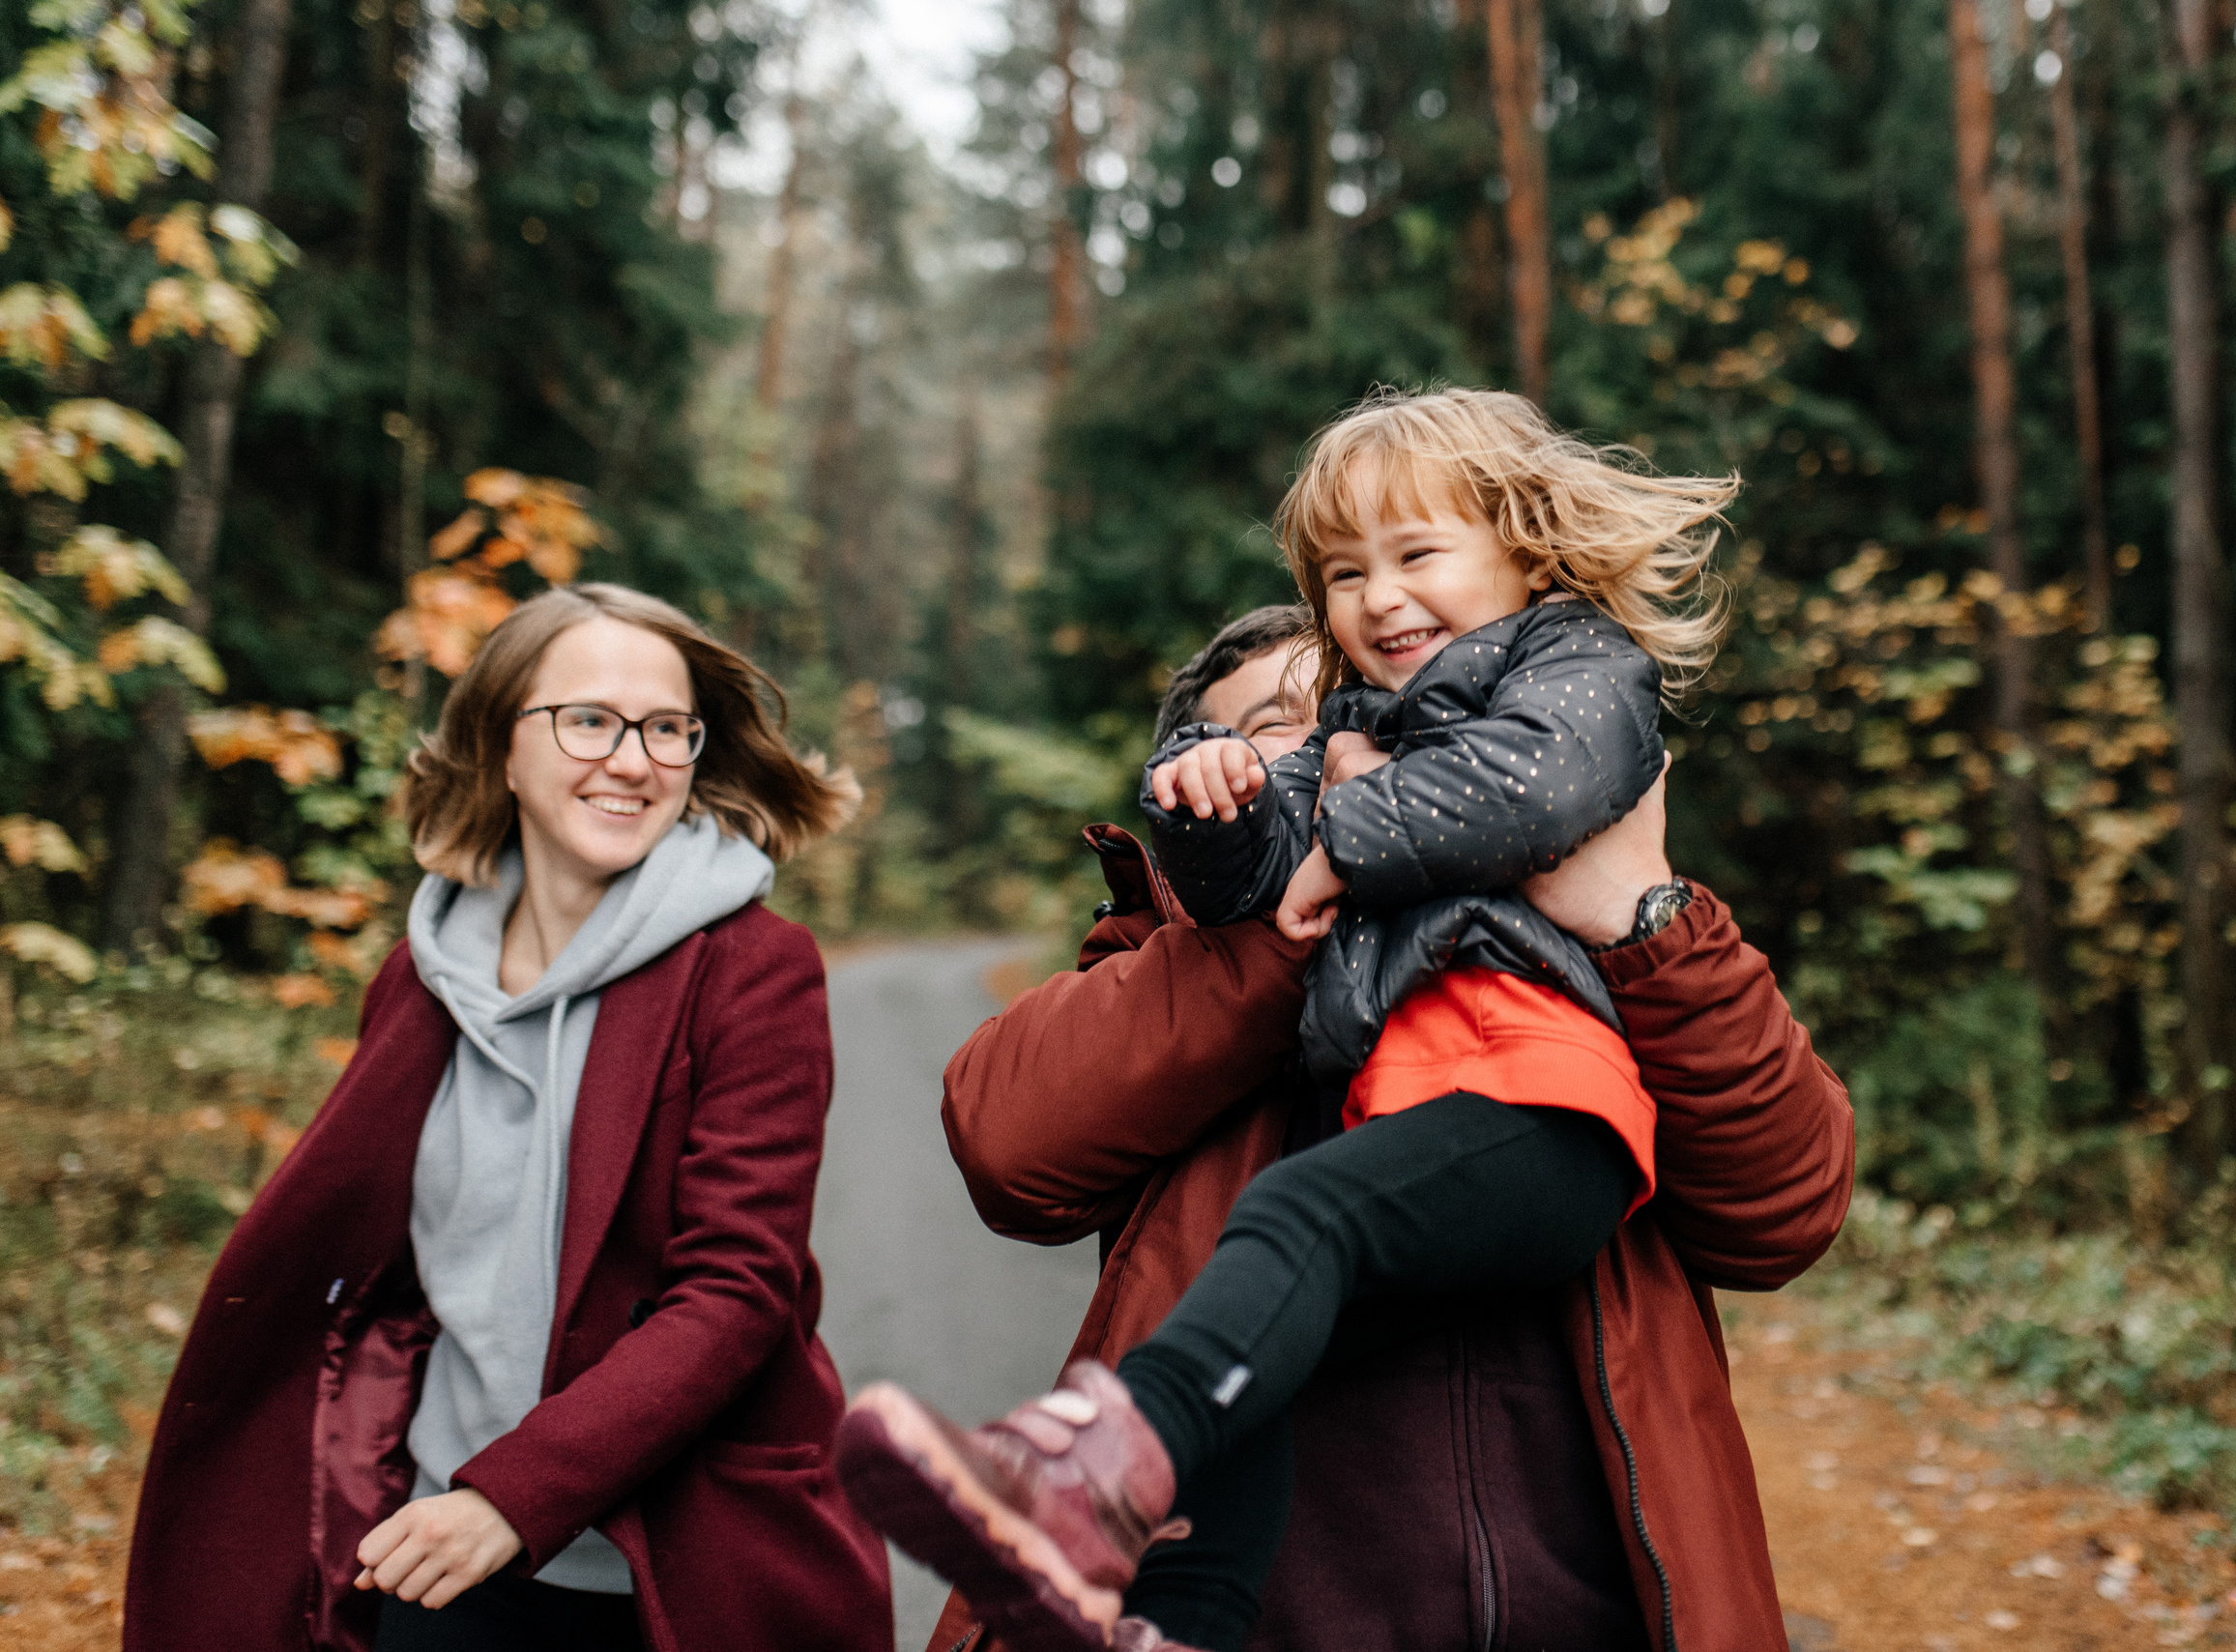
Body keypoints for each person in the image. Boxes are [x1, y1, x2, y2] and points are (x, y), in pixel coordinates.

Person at [851, 394, 1854, 1652]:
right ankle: (1177, 1611)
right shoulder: (1176, 944)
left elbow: (1785, 1205)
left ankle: (1093, 1474)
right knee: (1249, 1333)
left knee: (1291, 1230)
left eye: (1416, 558)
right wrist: (1224, 840)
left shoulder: (1572, 744)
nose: (1374, 621)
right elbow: (1010, 1143)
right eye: (1269, 725)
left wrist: (1629, 912)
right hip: (1312, 1613)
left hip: (1582, 1556)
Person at [124, 585, 895, 1652]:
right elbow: (373, 1263)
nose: (631, 759)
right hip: (442, 1550)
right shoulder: (418, 977)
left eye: (665, 728)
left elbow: (736, 1289)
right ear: (501, 747)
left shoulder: (753, 970)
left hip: (667, 1570)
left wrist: (514, 1494)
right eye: (589, 719)